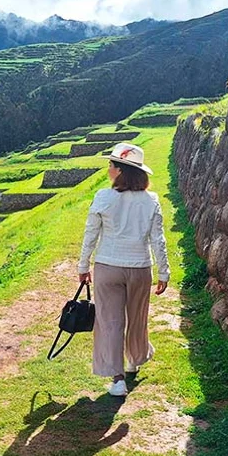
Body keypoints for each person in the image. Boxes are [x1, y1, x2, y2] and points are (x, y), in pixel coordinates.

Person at [77, 142, 170, 397]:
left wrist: (83, 265)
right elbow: (158, 239)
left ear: (120, 170)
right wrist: (163, 272)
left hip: (108, 266)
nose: (108, 169)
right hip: (139, 267)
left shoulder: (103, 197)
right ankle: (134, 359)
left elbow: (91, 234)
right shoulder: (150, 201)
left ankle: (117, 379)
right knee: (137, 317)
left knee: (110, 321)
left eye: (111, 165)